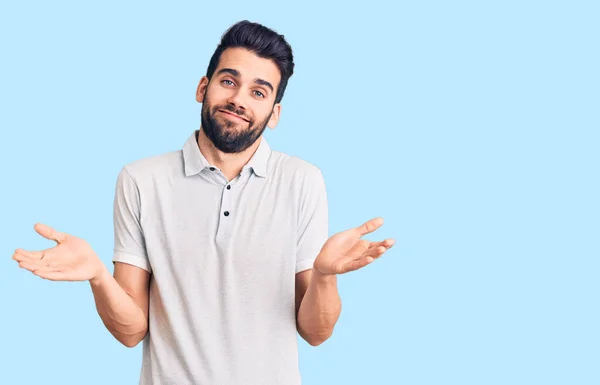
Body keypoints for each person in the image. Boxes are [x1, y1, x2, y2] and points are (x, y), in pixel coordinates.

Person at [12, 20, 395, 385]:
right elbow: (131, 333)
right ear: (202, 87)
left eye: (258, 92)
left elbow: (316, 332)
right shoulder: (141, 180)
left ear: (274, 113)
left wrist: (325, 276)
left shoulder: (303, 181)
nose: (238, 99)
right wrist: (98, 277)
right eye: (229, 81)